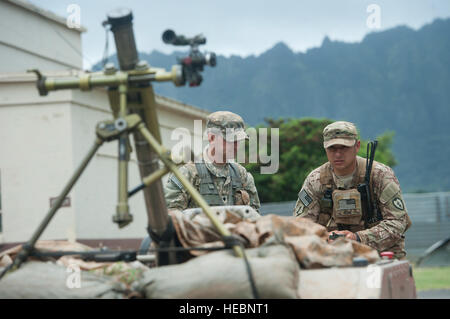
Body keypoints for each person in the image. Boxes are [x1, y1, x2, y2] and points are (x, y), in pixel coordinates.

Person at [293, 121, 411, 259]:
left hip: (380, 255)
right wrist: (326, 237)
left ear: (357, 146)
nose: (338, 154)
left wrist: (357, 238)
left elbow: (398, 222)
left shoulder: (379, 175)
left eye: (344, 147)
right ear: (325, 149)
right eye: (332, 148)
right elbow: (301, 226)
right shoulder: (315, 180)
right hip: (332, 255)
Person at [164, 111, 261, 212]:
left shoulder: (242, 176)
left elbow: (254, 217)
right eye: (230, 139)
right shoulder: (187, 174)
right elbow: (172, 217)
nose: (235, 145)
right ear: (212, 138)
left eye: (238, 140)